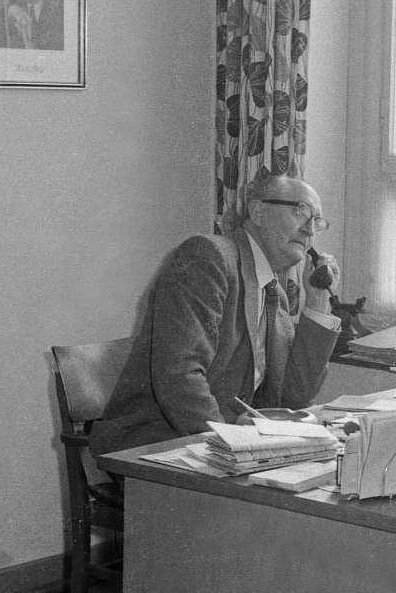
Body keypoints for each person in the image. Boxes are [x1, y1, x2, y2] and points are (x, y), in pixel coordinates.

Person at [91, 175, 340, 456]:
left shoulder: (273, 293)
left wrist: (317, 304)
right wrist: (230, 445)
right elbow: (180, 374)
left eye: (317, 221)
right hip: (155, 443)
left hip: (216, 444)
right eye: (300, 211)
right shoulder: (207, 257)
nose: (309, 230)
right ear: (258, 211)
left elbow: (293, 395)